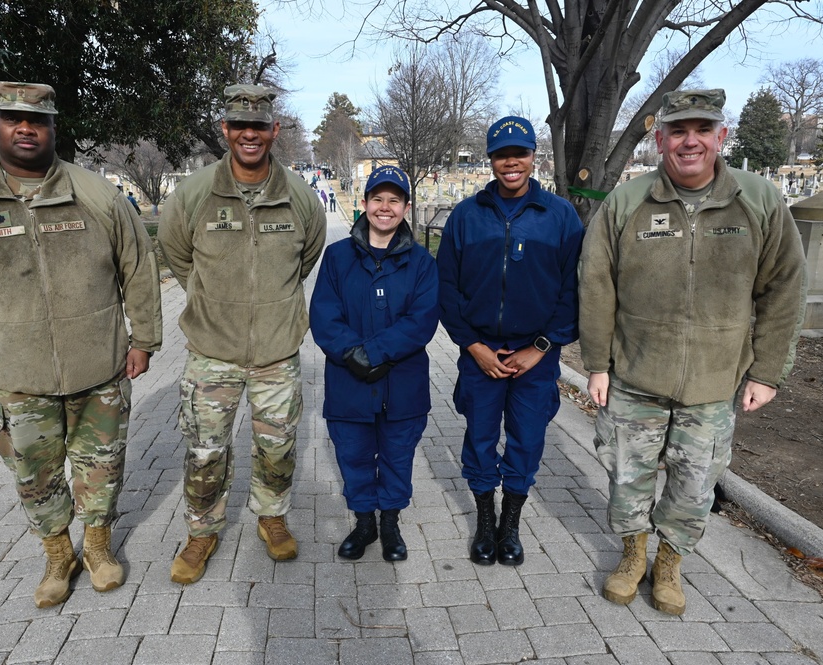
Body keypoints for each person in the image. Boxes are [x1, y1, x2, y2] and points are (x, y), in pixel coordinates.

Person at [0, 81, 163, 608]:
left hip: (98, 368)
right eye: (12, 119)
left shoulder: (96, 195)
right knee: (34, 474)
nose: (25, 129)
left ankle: (98, 548)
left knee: (102, 467)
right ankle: (58, 555)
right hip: (13, 375)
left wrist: (144, 338)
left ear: (53, 127)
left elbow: (138, 267)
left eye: (37, 120)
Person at [579, 89, 807, 616]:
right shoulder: (628, 202)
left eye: (702, 130)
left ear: (721, 137)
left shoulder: (758, 200)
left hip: (712, 382)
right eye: (678, 131)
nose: (690, 141)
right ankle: (633, 555)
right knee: (627, 476)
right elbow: (596, 285)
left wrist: (768, 372)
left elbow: (785, 288)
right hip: (634, 376)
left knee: (695, 484)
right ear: (660, 140)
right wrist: (596, 364)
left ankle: (670, 562)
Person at [158, 84, 327, 584]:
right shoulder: (194, 194)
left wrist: (271, 304)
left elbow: (305, 259)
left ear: (274, 130)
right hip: (213, 352)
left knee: (277, 447)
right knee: (205, 451)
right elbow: (177, 254)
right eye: (239, 125)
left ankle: (271, 516)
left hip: (276, 351)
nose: (249, 134)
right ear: (225, 129)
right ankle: (202, 531)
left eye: (259, 126)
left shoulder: (299, 197)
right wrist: (211, 300)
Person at [436, 116, 584, 566]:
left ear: (533, 157)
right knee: (480, 438)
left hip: (535, 355)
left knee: (527, 439)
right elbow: (447, 287)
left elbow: (572, 290)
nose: (511, 162)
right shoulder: (466, 216)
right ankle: (486, 520)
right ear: (491, 160)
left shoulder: (559, 216)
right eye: (502, 155)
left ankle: (510, 524)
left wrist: (540, 348)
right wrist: (472, 345)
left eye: (520, 153)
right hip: (480, 351)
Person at [310, 166, 439, 562]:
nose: (385, 207)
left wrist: (376, 353)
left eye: (394, 200)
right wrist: (353, 354)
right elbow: (324, 315)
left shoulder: (421, 262)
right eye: (378, 199)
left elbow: (422, 320)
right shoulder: (337, 257)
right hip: (349, 381)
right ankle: (364, 521)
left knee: (398, 456)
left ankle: (390, 523)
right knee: (354, 455)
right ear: (364, 204)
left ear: (406, 207)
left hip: (402, 385)